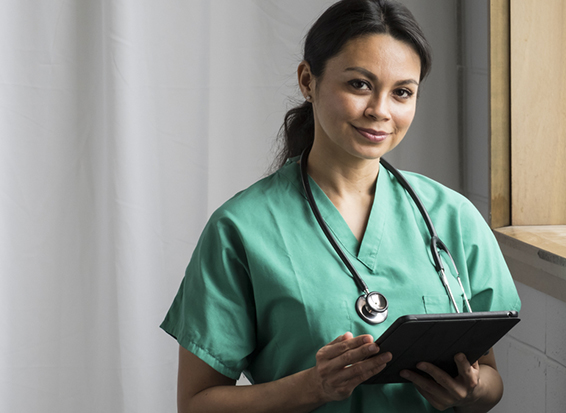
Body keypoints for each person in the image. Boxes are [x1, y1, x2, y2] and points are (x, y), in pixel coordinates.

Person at [161, 0, 521, 411]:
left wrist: (471, 393)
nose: (380, 111)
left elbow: (489, 378)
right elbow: (197, 404)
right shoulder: (241, 229)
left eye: (401, 92)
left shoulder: (452, 218)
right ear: (307, 81)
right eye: (359, 85)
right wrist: (313, 386)